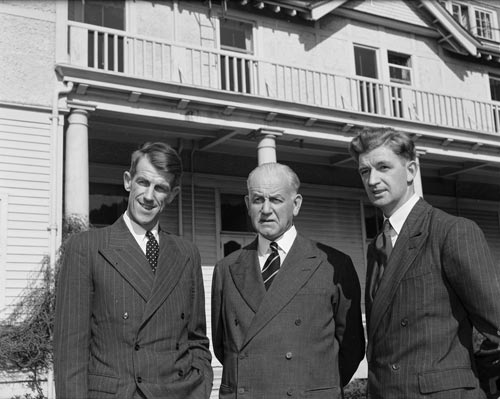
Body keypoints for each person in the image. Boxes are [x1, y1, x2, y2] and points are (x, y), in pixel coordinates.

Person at [349, 128, 500, 399]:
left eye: (383, 167)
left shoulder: (450, 231)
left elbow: (497, 329)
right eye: (364, 172)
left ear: (411, 170)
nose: (373, 180)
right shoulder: (377, 246)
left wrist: (466, 383)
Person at [54, 142, 213, 399]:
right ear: (128, 181)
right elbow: (70, 353)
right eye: (143, 182)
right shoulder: (86, 247)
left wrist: (200, 387)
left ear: (172, 195)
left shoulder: (186, 253)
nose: (149, 196)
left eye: (160, 187)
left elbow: (196, 339)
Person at [211, 162, 365, 399]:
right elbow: (224, 347)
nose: (265, 209)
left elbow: (351, 348)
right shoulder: (226, 268)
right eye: (257, 200)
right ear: (247, 205)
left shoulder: (333, 264)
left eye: (276, 199)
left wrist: (316, 386)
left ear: (296, 204)